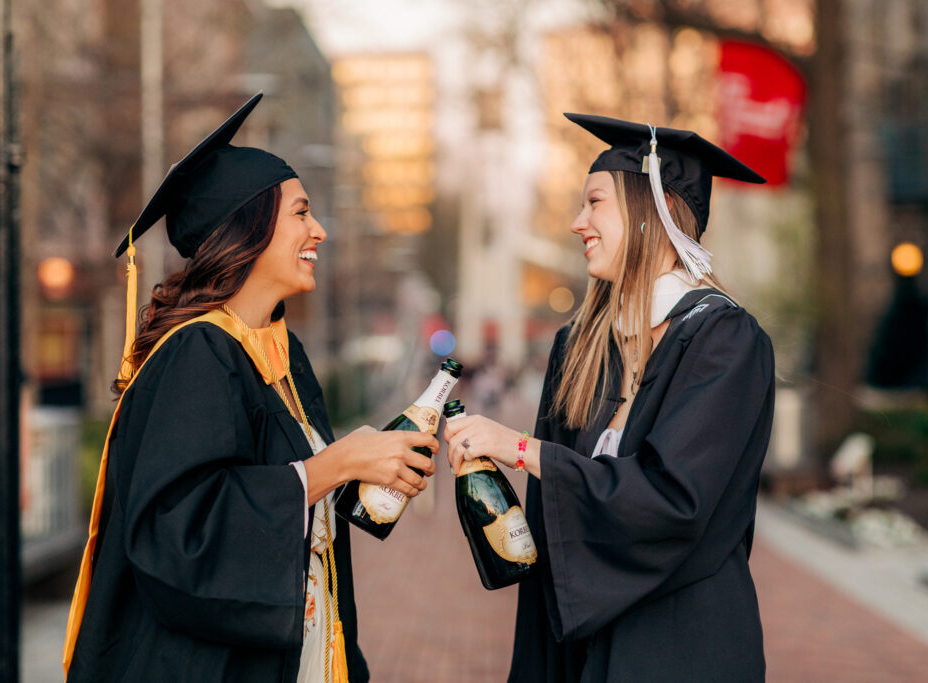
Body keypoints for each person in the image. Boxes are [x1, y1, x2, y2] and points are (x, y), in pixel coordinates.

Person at [62, 93, 437, 682]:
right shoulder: (199, 353)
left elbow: (280, 495)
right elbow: (178, 531)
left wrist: (364, 475)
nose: (319, 229)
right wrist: (332, 466)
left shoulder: (281, 353)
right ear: (247, 226)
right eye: (300, 212)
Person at [444, 114, 775, 682]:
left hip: (683, 645)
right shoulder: (581, 346)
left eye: (594, 202)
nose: (577, 223)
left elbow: (673, 500)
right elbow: (555, 523)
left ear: (656, 213)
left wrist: (522, 449)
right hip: (585, 646)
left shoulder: (725, 341)